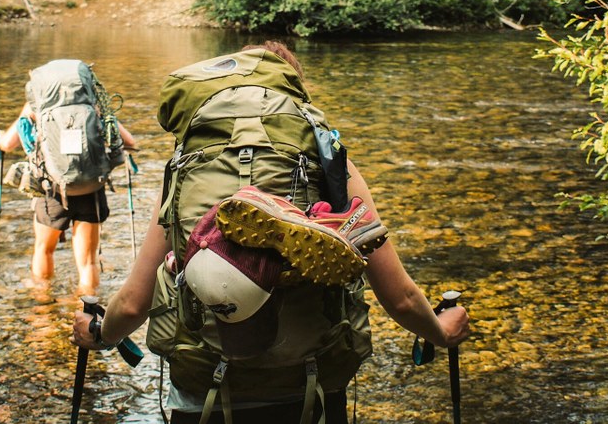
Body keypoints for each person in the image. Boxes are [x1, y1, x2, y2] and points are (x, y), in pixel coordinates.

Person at [71, 42, 469, 422]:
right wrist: (441, 332)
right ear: (294, 96)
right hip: (311, 382)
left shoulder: (187, 166)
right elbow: (399, 298)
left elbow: (133, 304)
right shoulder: (328, 161)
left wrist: (100, 334)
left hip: (205, 385)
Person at [0, 82, 137, 296]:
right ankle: (86, 308)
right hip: (90, 188)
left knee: (44, 249)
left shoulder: (37, 103)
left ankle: (44, 304)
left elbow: (7, 144)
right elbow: (129, 142)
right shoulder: (93, 101)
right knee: (88, 262)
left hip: (52, 189)